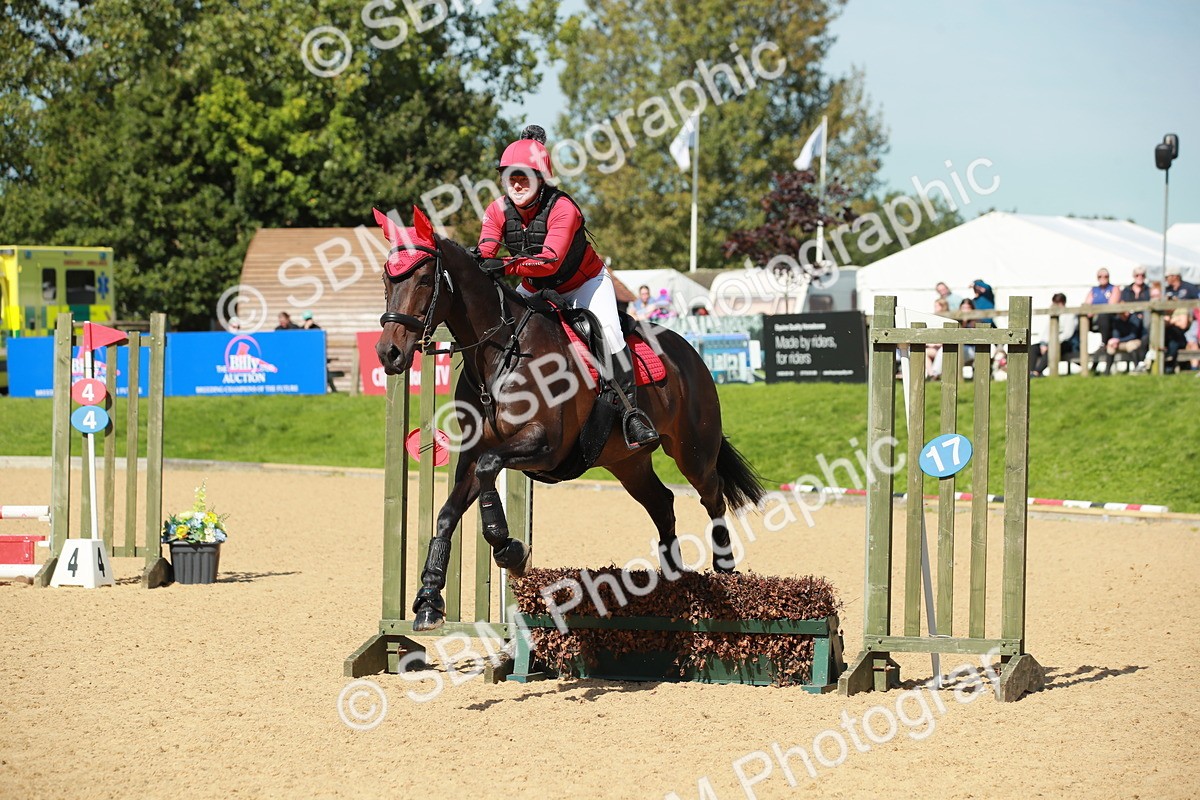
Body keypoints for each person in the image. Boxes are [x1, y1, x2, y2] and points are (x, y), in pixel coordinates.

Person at [476, 125, 657, 448]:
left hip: (584, 283)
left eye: (524, 176)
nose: (516, 183)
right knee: (501, 329)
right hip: (534, 286)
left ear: (541, 178)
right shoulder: (496, 210)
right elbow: (486, 252)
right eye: (510, 176)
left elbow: (550, 261)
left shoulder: (564, 208)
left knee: (610, 332)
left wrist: (504, 264)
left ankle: (632, 415)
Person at [1081, 268, 1118, 371]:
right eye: (1100, 276)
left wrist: (1095, 310)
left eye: (1105, 276)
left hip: (1110, 320)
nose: (1103, 278)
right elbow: (1086, 306)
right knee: (1081, 320)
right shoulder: (1094, 290)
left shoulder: (1114, 288)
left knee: (1104, 318)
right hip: (1096, 321)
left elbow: (1111, 306)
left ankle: (1104, 343)